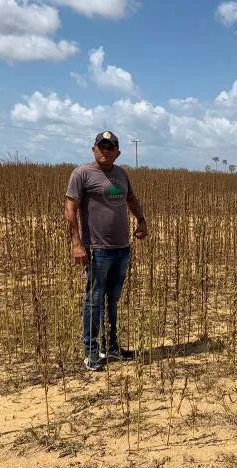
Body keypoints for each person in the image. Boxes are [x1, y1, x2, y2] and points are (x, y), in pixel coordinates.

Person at [64, 130, 148, 371]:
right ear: (93, 149)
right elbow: (70, 209)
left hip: (122, 248)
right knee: (94, 300)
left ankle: (111, 347)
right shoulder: (82, 174)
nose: (105, 150)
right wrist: (77, 244)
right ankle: (91, 352)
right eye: (102, 146)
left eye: (110, 147)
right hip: (98, 250)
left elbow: (131, 199)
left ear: (118, 152)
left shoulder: (121, 174)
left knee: (113, 300)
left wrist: (141, 220)